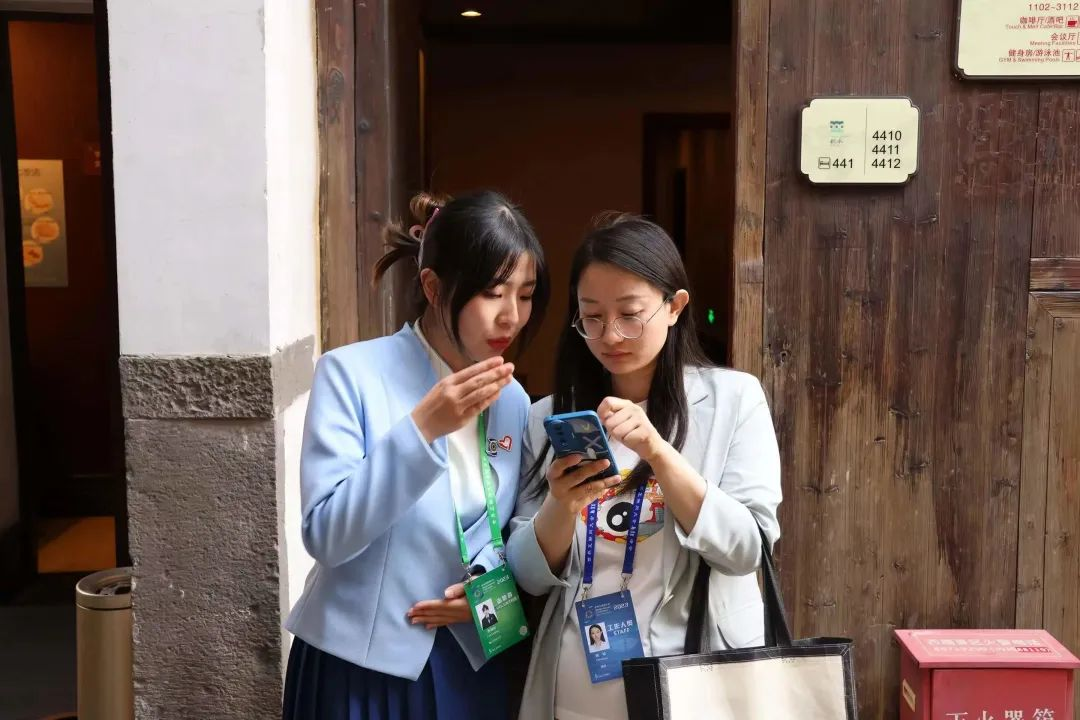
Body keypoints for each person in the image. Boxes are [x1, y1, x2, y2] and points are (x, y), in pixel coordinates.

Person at [283, 190, 550, 720]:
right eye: (493, 294)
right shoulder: (349, 374)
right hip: (359, 667)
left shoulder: (513, 399)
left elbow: (517, 529)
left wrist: (488, 589)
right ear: (433, 287)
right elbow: (326, 535)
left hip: (473, 660)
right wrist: (422, 429)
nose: (512, 317)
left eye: (525, 295)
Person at [506, 214, 782, 720]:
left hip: (694, 688)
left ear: (675, 307)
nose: (610, 334)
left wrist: (659, 452)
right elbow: (527, 574)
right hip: (575, 690)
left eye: (630, 314)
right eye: (591, 317)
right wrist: (560, 505)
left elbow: (747, 549)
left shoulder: (733, 400)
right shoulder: (549, 418)